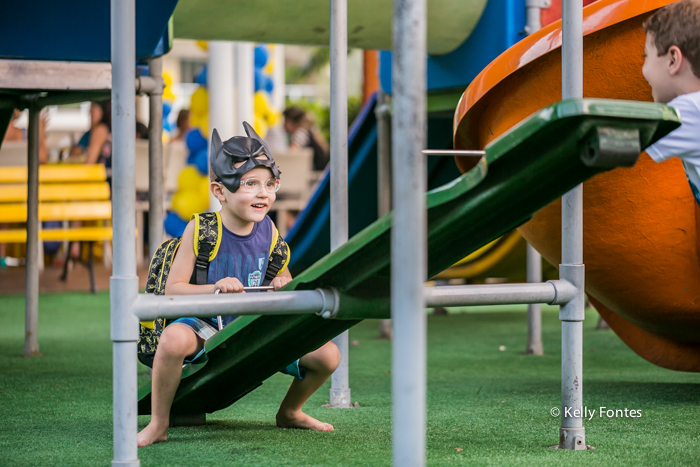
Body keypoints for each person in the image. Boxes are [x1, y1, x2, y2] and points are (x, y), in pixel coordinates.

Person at [137, 122, 340, 447]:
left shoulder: (270, 231)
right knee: (173, 340)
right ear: (220, 191)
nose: (263, 193)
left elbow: (280, 275)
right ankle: (159, 423)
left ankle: (290, 411)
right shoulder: (202, 229)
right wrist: (215, 288)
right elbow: (173, 289)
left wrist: (282, 282)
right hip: (205, 323)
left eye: (269, 184)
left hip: (251, 327)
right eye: (250, 184)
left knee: (328, 356)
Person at [642, 0, 700, 204]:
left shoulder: (690, 110)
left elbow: (623, 138)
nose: (643, 70)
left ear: (673, 59)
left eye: (646, 56)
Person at [282, 106, 329, 171]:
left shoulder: (300, 133)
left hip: (314, 175)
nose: (283, 125)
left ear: (291, 122)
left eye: (285, 120)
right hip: (321, 172)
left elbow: (290, 156)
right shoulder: (310, 130)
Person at [71, 100, 111, 166]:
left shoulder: (100, 130)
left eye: (93, 109)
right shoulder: (110, 129)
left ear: (102, 110)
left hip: (103, 175)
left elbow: (89, 163)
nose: (89, 113)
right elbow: (76, 151)